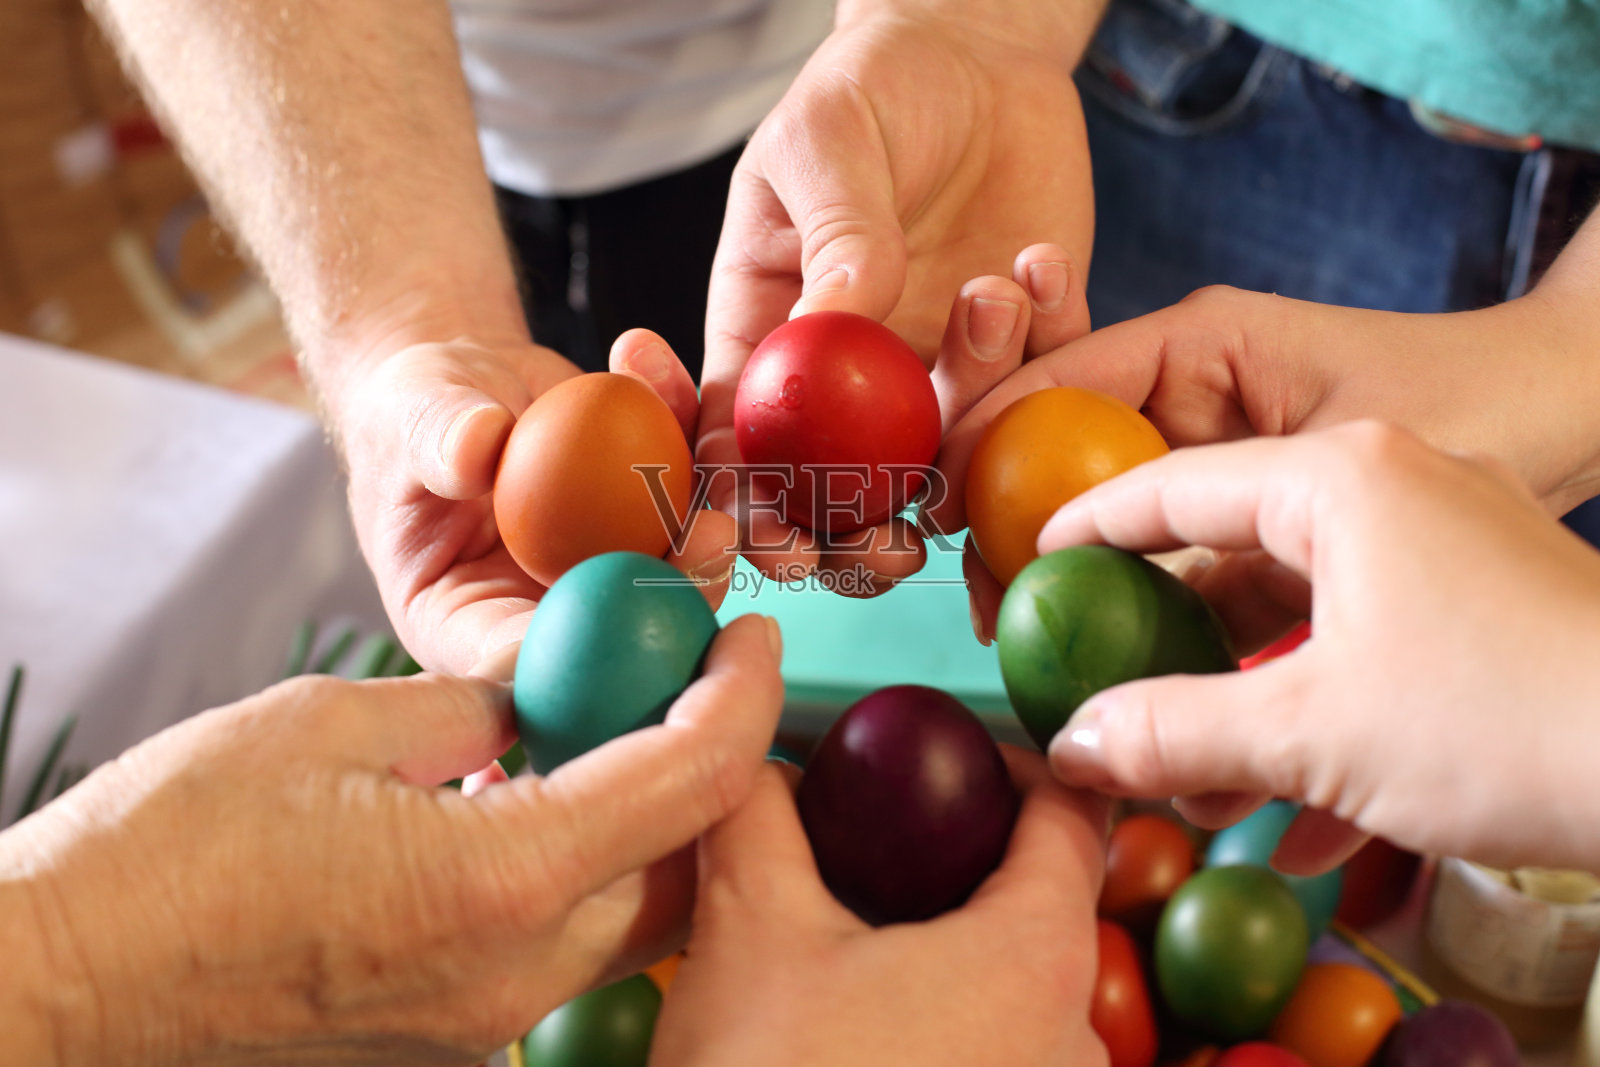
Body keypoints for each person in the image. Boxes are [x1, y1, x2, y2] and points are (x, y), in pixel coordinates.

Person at [86, 0, 1101, 676]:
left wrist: (973, 34)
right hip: (393, 125)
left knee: (839, 576)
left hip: (841, 109)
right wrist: (400, 319)